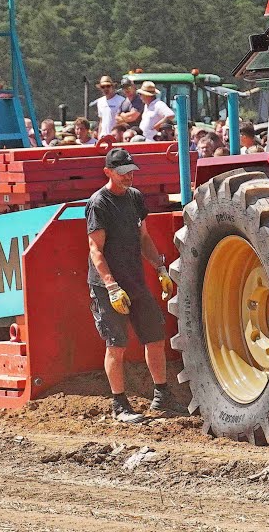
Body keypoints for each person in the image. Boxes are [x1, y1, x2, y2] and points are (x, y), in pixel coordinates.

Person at [85, 148, 184, 422]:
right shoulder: (99, 203)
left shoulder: (135, 198)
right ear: (108, 172)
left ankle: (162, 396)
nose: (128, 177)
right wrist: (111, 287)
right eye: (122, 173)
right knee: (116, 345)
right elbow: (95, 250)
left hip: (135, 281)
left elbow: (144, 239)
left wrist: (160, 268)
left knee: (155, 337)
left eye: (130, 172)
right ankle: (119, 404)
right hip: (108, 287)